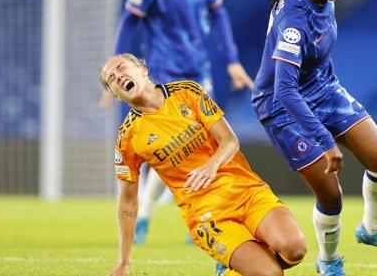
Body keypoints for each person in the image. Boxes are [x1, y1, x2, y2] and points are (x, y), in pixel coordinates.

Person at [252, 0, 377, 276]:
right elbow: (284, 90)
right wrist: (326, 143)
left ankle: (373, 230)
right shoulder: (294, 22)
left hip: (324, 87)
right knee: (331, 196)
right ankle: (328, 261)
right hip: (283, 104)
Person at [100, 0, 254, 245]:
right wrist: (114, 73)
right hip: (164, 76)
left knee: (204, 145)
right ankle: (158, 214)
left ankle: (189, 212)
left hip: (198, 74)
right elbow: (130, 20)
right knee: (173, 148)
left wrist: (232, 60)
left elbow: (218, 14)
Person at [101, 53, 306, 276]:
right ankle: (237, 264)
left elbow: (229, 140)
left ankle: (234, 265)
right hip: (206, 214)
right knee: (271, 274)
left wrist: (213, 163)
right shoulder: (128, 137)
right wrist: (124, 262)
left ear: (142, 70)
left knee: (294, 250)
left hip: (247, 192)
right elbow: (128, 203)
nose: (118, 77)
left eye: (121, 68)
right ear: (116, 95)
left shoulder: (187, 92)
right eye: (111, 79)